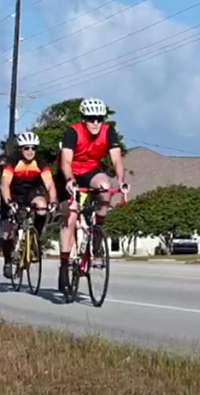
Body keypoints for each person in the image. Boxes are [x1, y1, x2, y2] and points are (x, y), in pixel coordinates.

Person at [55, 97, 129, 292]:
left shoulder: (108, 132)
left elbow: (116, 160)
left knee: (105, 187)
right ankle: (64, 265)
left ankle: (97, 232)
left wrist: (121, 181)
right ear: (83, 119)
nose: (95, 122)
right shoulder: (73, 132)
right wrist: (70, 181)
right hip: (69, 173)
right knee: (70, 216)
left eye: (99, 118)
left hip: (90, 171)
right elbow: (66, 162)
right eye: (91, 118)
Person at [0, 131, 58, 279]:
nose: (30, 151)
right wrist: (9, 201)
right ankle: (7, 261)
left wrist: (52, 201)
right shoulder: (13, 161)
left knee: (42, 206)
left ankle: (35, 238)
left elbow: (50, 185)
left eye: (33, 148)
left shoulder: (40, 162)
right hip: (13, 194)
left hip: (31, 193)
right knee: (7, 233)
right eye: (27, 148)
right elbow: (5, 184)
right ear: (21, 149)